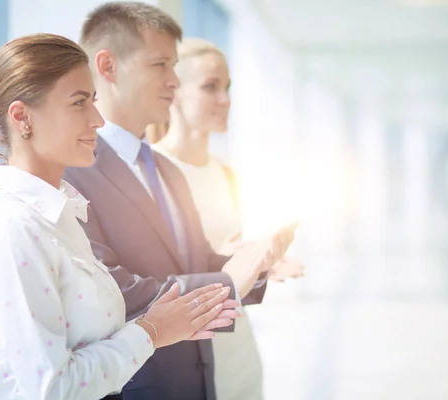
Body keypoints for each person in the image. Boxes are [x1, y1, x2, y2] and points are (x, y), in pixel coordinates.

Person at [0, 34, 238, 400]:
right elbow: (51, 390)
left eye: (93, 101)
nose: (98, 120)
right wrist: (151, 332)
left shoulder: (59, 216)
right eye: (78, 103)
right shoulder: (14, 230)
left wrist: (161, 326)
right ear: (22, 117)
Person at [63, 3, 295, 399]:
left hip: (200, 382)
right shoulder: (72, 172)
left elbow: (198, 261)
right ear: (108, 66)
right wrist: (228, 281)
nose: (174, 81)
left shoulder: (166, 171)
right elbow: (115, 292)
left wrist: (256, 262)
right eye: (160, 65)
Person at [151, 37, 304, 400]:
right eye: (210, 87)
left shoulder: (226, 173)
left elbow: (227, 253)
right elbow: (153, 274)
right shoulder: (150, 172)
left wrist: (263, 262)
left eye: (228, 87)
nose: (226, 100)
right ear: (174, 92)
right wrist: (230, 260)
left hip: (238, 347)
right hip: (187, 350)